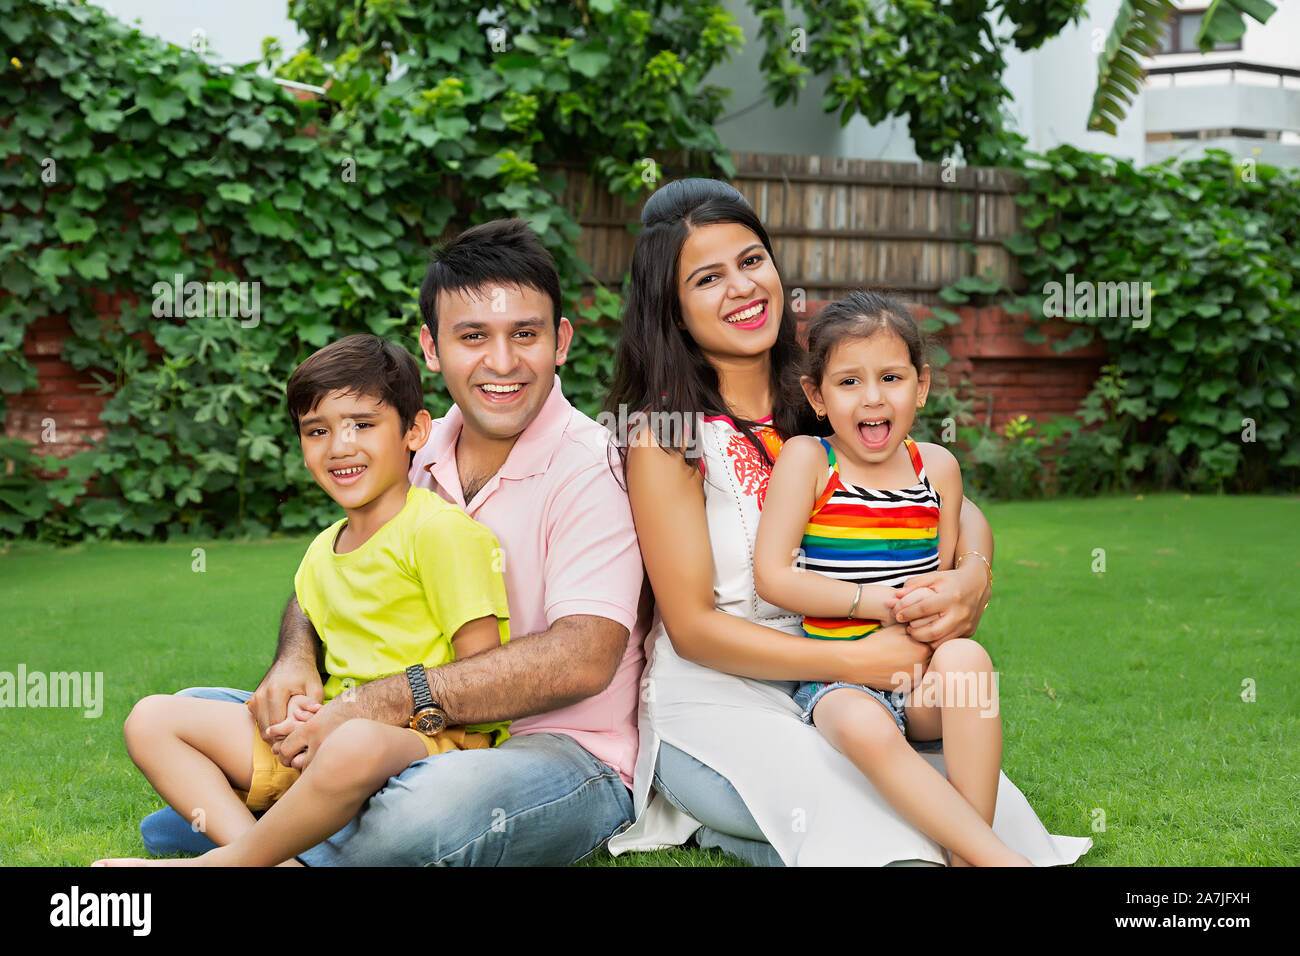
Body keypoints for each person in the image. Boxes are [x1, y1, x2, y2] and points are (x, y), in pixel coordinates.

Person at [604, 177, 1092, 866]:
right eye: (707, 278)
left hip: (861, 676)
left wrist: (970, 579)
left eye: (751, 261)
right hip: (722, 698)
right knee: (878, 822)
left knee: (974, 810)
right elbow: (694, 629)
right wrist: (853, 658)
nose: (742, 288)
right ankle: (724, 817)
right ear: (673, 310)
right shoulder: (668, 437)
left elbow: (956, 506)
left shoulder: (827, 401)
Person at [136, 219, 647, 865]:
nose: (502, 362)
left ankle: (252, 831)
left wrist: (374, 701)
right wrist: (294, 657)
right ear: (432, 349)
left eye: (525, 334)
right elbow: (338, 563)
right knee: (184, 711)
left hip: (557, 748)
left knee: (426, 813)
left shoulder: (593, 466)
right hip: (400, 735)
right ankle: (286, 832)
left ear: (561, 341)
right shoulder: (413, 444)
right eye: (472, 337)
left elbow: (583, 659)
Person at [97, 335, 513, 866]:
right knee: (151, 719)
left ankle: (223, 863)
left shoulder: (438, 532)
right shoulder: (322, 550)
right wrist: (301, 711)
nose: (339, 446)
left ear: (415, 430)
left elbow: (482, 681)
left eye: (363, 424)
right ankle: (269, 857)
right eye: (317, 430)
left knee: (355, 743)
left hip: (430, 744)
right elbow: (328, 663)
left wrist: (360, 722)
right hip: (324, 740)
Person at [752, 291, 1029, 866]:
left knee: (970, 663)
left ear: (921, 386)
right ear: (816, 395)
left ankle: (965, 853)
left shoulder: (939, 469)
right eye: (848, 382)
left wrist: (948, 593)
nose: (872, 398)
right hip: (839, 679)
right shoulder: (810, 461)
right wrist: (869, 603)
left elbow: (949, 574)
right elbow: (772, 577)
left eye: (891, 377)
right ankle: (996, 858)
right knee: (858, 720)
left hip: (919, 677)